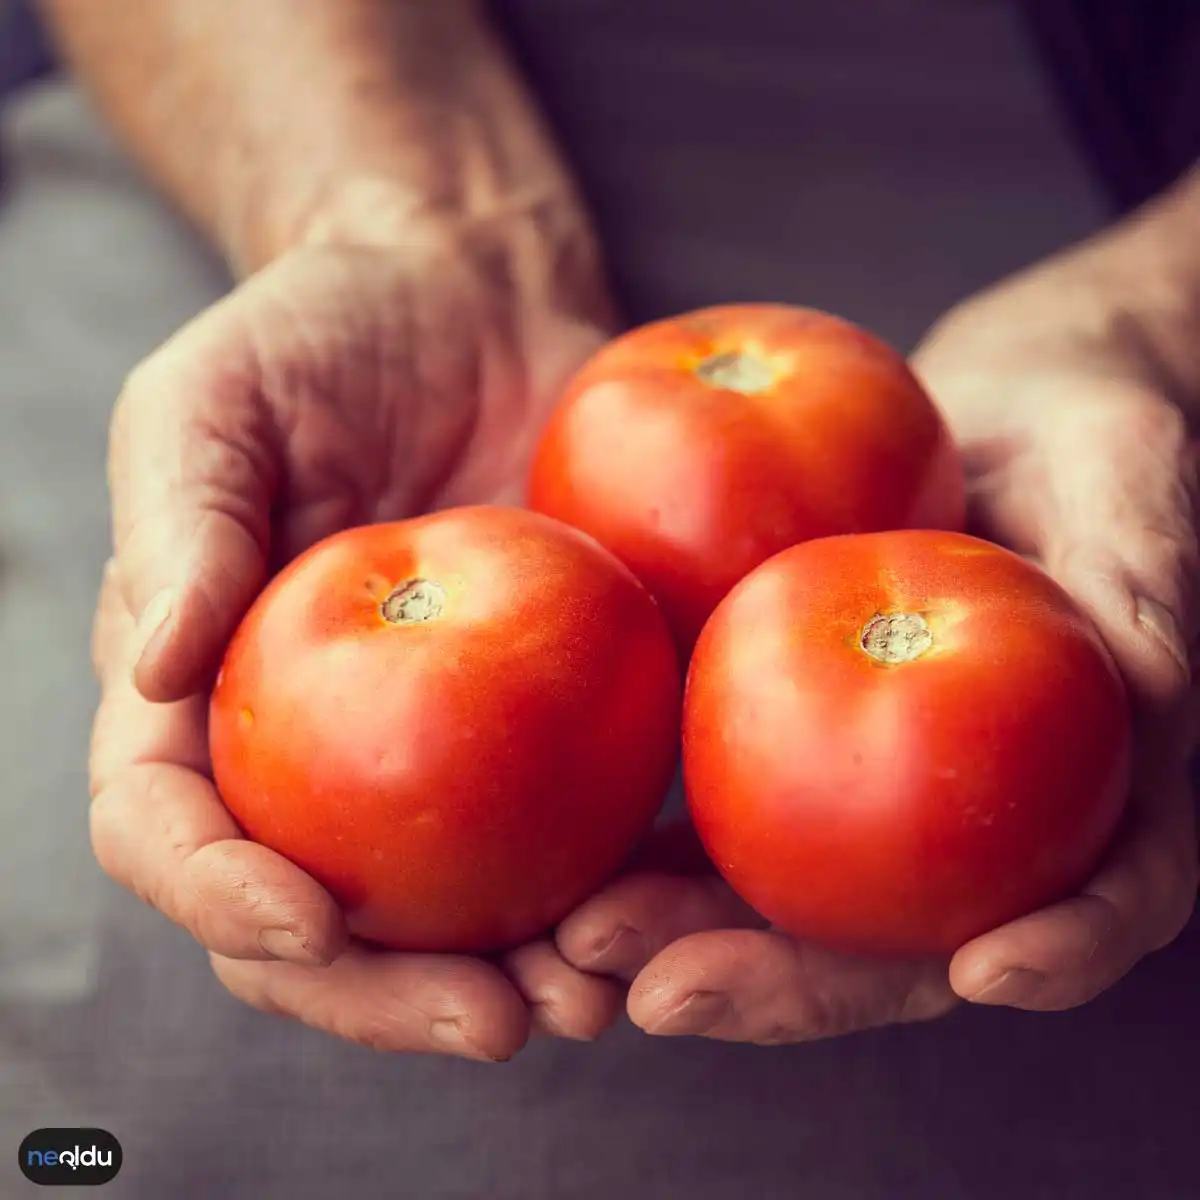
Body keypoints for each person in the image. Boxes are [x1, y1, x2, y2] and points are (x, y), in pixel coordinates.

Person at [2, 0, 1199, 1195]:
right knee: (100, 985)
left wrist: (1144, 317)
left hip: (1105, 160)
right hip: (333, 84)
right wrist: (396, 213)